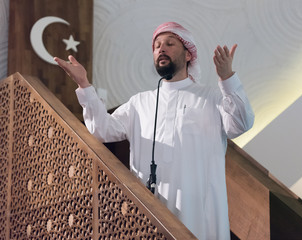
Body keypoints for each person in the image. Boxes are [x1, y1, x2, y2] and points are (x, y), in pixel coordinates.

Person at [55, 22, 254, 240]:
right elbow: (101, 129)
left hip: (200, 220)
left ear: (189, 55)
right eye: (157, 45)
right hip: (150, 218)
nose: (161, 48)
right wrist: (84, 84)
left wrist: (227, 79)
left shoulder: (211, 98)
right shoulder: (140, 103)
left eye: (170, 43)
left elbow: (241, 124)